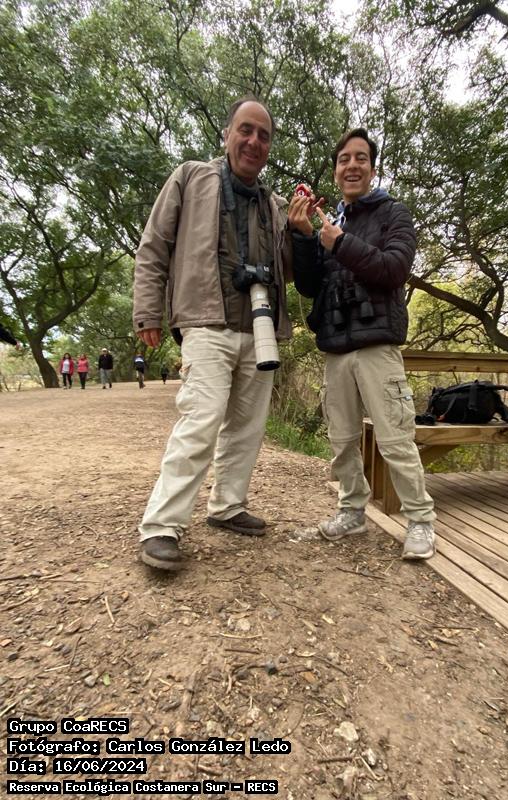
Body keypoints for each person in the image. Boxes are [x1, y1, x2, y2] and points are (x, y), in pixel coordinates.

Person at [133, 95, 293, 572]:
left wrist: (303, 233)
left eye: (263, 135)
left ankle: (227, 505)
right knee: (200, 421)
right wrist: (148, 312)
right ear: (226, 135)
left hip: (260, 329)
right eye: (246, 130)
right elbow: (154, 245)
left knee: (247, 427)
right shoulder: (190, 177)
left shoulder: (275, 205)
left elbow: (289, 269)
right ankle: (161, 526)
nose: (254, 141)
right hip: (205, 322)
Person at [288, 128, 437, 560]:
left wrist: (341, 242)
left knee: (395, 439)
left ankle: (421, 520)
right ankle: (352, 511)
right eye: (343, 159)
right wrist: (304, 236)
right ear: (336, 171)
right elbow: (311, 286)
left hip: (377, 346)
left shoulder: (394, 213)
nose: (351, 165)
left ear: (372, 169)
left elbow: (395, 269)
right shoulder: (330, 221)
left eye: (360, 158)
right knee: (342, 439)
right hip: (336, 347)